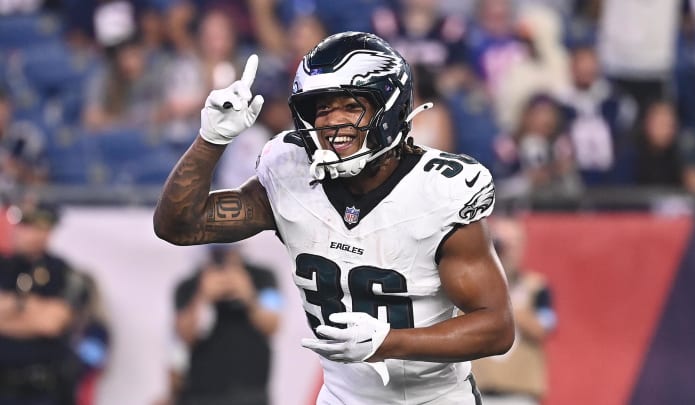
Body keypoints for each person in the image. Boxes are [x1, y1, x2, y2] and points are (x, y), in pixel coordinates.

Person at [154, 31, 515, 404]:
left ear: (388, 110)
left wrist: (388, 343)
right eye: (322, 109)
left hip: (435, 398)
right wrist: (211, 139)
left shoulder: (439, 190)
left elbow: (496, 327)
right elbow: (178, 225)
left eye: (350, 106)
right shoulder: (292, 173)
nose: (332, 122)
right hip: (343, 396)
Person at [170, 245, 282, 405]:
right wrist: (202, 297)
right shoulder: (188, 285)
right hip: (201, 395)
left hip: (252, 394)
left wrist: (249, 296)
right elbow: (184, 335)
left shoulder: (263, 277)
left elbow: (273, 324)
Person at [0, 202, 87, 405]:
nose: (33, 234)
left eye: (41, 227)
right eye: (26, 225)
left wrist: (11, 309)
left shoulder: (64, 272)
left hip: (45, 390)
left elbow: (51, 323)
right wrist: (31, 309)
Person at [471, 217, 556, 405]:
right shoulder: (473, 287)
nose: (507, 250)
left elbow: (543, 329)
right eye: (502, 242)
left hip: (519, 395)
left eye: (513, 243)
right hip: (477, 393)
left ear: (523, 246)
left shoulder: (537, 287)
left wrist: (506, 303)